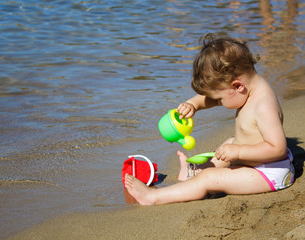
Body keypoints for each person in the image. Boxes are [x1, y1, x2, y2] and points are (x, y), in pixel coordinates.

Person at [124, 34, 295, 205]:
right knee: (229, 144)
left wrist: (238, 152)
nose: (217, 102)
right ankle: (195, 171)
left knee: (209, 179)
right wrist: (194, 104)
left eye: (220, 99)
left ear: (237, 86)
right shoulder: (246, 90)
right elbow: (213, 98)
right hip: (257, 163)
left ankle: (153, 198)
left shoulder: (263, 106)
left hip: (269, 174)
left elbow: (277, 148)